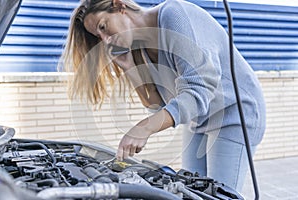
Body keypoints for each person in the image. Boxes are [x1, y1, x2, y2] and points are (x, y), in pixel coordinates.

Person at [61, 0, 266, 192]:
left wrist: (144, 128)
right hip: (200, 120)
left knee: (219, 195)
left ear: (119, 5)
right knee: (191, 191)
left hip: (235, 115)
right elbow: (157, 105)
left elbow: (199, 90)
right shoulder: (137, 46)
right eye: (98, 37)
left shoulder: (175, 15)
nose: (105, 41)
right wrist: (129, 66)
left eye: (103, 27)